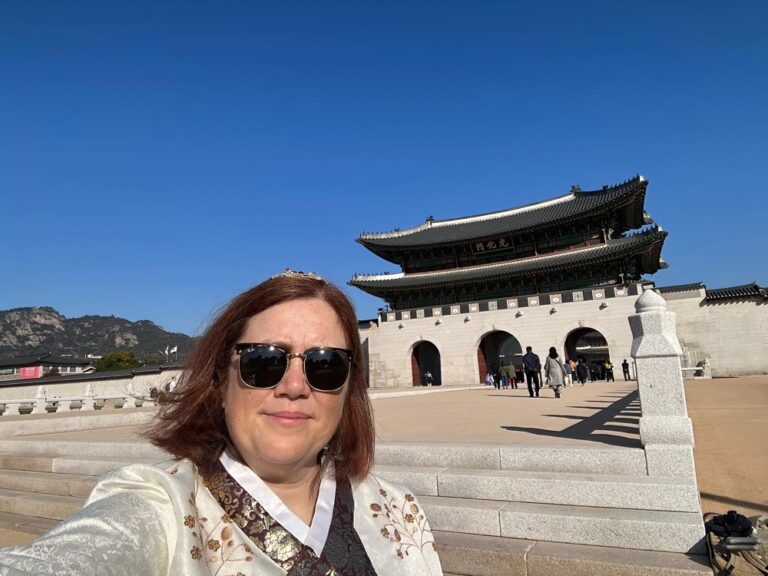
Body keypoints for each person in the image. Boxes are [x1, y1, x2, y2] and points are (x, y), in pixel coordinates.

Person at [0, 272, 443, 576]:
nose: (293, 386)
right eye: (263, 362)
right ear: (220, 377)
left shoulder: (397, 508)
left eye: (325, 366)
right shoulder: (162, 506)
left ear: (349, 388)